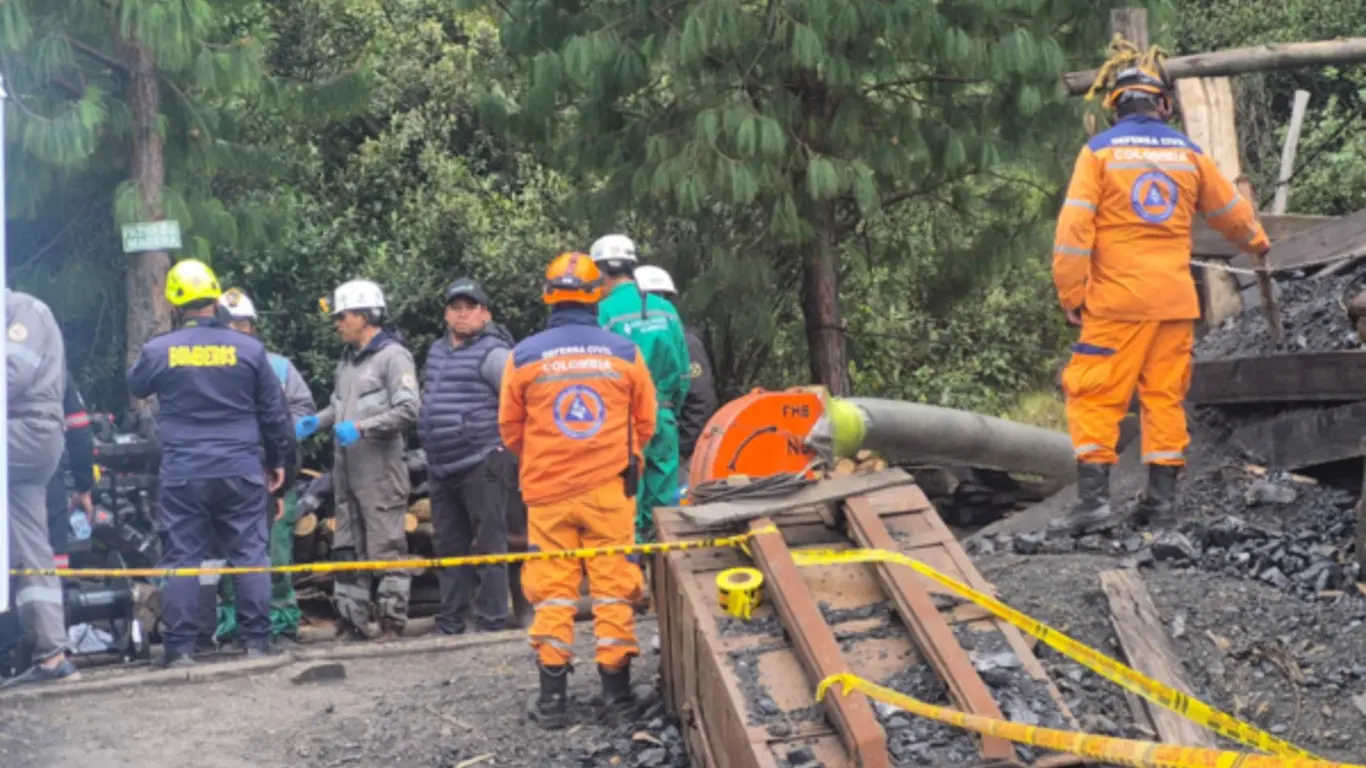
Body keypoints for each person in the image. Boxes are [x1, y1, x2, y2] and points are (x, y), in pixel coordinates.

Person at [1049, 53, 1269, 536]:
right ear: (1163, 105)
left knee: (1094, 394)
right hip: (1173, 303)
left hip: (1116, 303)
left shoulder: (1099, 153)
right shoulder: (1188, 153)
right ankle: (1161, 506)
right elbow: (1232, 213)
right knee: (1164, 398)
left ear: (1115, 106)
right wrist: (1257, 242)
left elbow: (1072, 231)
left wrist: (1072, 293)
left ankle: (1092, 504)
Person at [499, 252, 657, 728]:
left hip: (547, 494)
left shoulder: (523, 355)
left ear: (548, 297)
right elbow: (646, 421)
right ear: (597, 295)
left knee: (552, 594)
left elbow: (510, 429)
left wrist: (549, 459)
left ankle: (552, 703)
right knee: (612, 589)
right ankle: (618, 699)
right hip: (610, 491)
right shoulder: (624, 352)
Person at [126, 260, 294, 666]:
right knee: (251, 554)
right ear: (215, 297)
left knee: (183, 557)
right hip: (240, 467)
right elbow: (275, 416)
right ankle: (256, 642)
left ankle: (181, 649)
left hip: (185, 470)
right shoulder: (251, 350)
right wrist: (279, 463)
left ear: (175, 303)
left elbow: (135, 386)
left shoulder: (159, 350)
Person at [296, 279, 419, 639]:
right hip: (348, 474)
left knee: (386, 547)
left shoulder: (393, 357)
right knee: (347, 548)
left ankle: (391, 624)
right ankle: (352, 623)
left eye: (343, 316)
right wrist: (314, 422)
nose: (338, 323)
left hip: (381, 473)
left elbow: (410, 408)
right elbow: (339, 406)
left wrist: (363, 428)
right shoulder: (348, 362)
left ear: (365, 316)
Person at [216, 288, 317, 643]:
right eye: (229, 324)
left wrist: (280, 433)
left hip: (273, 472)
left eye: (242, 324)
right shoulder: (210, 368)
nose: (236, 331)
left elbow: (304, 408)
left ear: (253, 328)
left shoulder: (278, 366)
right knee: (229, 552)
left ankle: (281, 622)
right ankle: (233, 625)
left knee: (276, 549)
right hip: (229, 470)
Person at [418, 278, 517, 635]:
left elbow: (518, 402)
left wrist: (505, 448)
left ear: (484, 313)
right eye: (455, 308)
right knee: (449, 546)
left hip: (482, 460)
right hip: (441, 464)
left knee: (490, 542)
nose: (462, 315)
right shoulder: (437, 351)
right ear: (446, 314)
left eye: (469, 308)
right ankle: (450, 620)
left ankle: (491, 621)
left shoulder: (496, 354)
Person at [1, 290, 79, 686]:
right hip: (27, 434)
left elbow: (11, 373)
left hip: (24, 429)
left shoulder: (24, 311)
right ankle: (53, 655)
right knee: (30, 543)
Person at [590, 235, 689, 539]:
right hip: (663, 415)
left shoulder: (601, 313)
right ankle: (660, 572)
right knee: (662, 503)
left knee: (626, 498)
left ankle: (631, 573)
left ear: (601, 272)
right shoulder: (665, 310)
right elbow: (684, 373)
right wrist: (669, 408)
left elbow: (595, 374)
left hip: (623, 421)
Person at [632, 265, 718, 486]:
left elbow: (700, 400)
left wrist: (680, 448)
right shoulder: (638, 339)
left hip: (675, 451)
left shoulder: (684, 342)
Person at [46, 373, 96, 557]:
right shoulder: (54, 372)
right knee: (52, 555)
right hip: (45, 479)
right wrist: (84, 487)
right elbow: (79, 431)